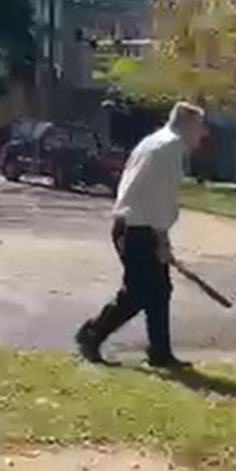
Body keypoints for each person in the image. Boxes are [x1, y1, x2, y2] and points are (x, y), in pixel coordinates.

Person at [75, 102, 206, 367]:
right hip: (139, 227)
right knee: (139, 293)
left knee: (158, 290)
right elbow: (160, 199)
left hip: (132, 224)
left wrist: (161, 237)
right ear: (188, 125)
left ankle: (160, 352)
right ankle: (91, 334)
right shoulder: (169, 149)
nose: (202, 133)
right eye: (200, 127)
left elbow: (149, 194)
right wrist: (161, 240)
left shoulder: (153, 142)